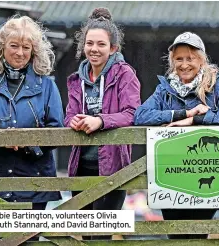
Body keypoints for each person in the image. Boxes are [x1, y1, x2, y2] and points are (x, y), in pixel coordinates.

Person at [134, 32, 219, 239]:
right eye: (179, 59)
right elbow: (141, 115)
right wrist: (184, 113)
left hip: (206, 167)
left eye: (190, 58)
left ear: (201, 59)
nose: (184, 64)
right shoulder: (164, 89)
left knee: (199, 234)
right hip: (171, 173)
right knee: (174, 235)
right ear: (172, 61)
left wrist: (197, 120)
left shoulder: (216, 85)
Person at [0, 16, 64, 211]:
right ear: (2, 47)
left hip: (36, 179)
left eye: (26, 47)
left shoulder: (47, 85)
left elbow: (56, 128)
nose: (20, 53)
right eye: (14, 46)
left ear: (34, 50)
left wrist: (28, 142)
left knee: (30, 239)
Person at [64, 7, 141, 240]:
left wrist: (100, 120)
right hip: (81, 165)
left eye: (101, 44)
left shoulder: (125, 75)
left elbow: (133, 112)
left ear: (113, 48)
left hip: (113, 166)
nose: (94, 49)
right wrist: (74, 120)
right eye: (89, 44)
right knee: (83, 233)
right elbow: (69, 114)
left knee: (102, 234)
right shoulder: (76, 79)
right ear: (83, 46)